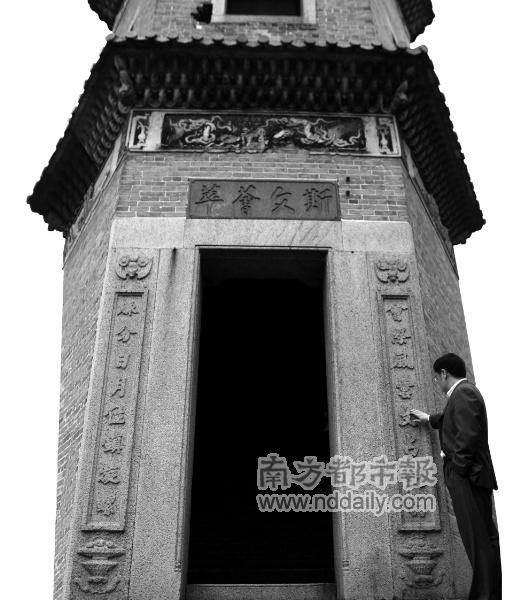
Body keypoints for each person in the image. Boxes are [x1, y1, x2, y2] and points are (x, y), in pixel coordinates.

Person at [411, 353, 501, 600]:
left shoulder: (464, 394)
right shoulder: (464, 394)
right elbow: (455, 419)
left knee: (478, 541)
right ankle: (488, 593)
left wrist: (457, 470)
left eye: (436, 377)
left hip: (468, 477)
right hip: (471, 475)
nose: (436, 383)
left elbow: (467, 436)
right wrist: (430, 419)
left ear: (444, 373)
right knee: (483, 540)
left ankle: (484, 595)